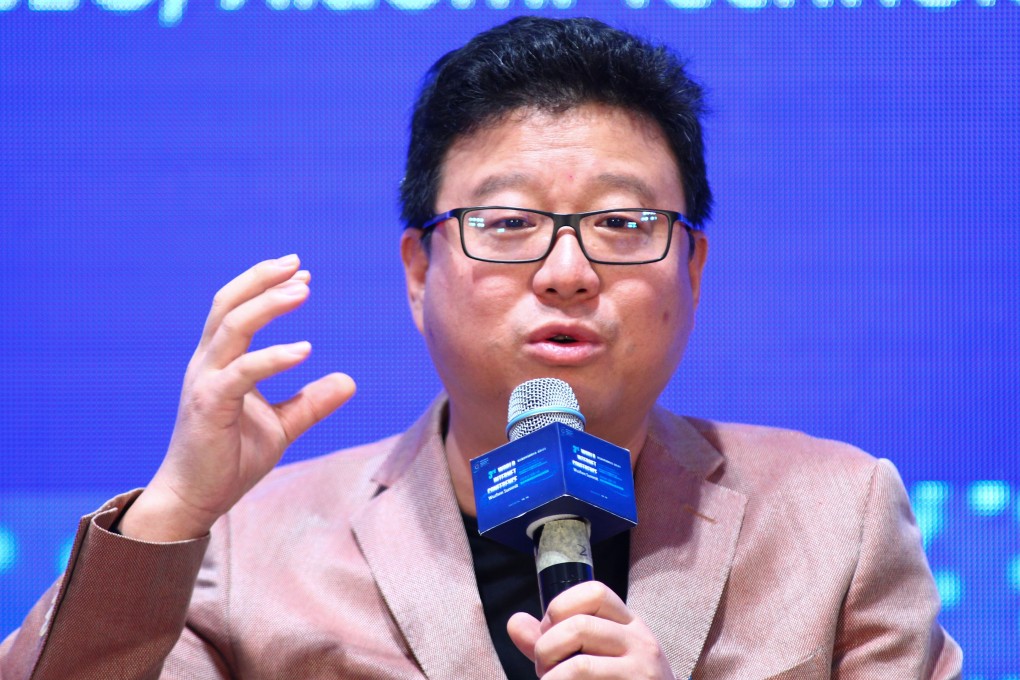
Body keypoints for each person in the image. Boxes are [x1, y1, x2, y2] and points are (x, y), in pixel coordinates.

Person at [1, 16, 961, 680]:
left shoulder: (839, 518)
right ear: (419, 270)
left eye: (623, 222)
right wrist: (175, 510)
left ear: (693, 267)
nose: (568, 270)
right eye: (507, 224)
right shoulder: (246, 544)